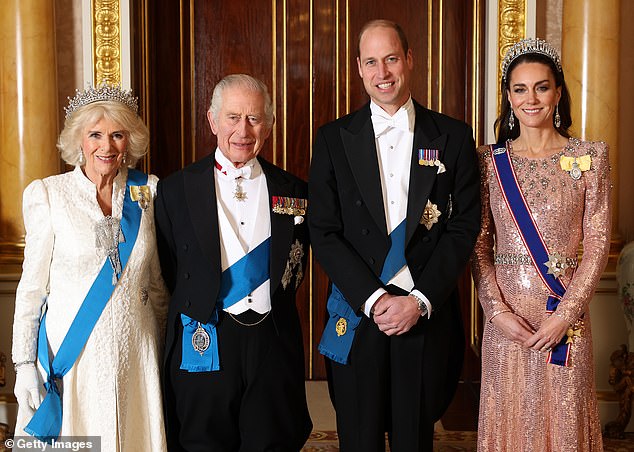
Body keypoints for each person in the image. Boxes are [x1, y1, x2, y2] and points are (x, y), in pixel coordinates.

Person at [308, 19, 481, 452]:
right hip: (360, 309)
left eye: (391, 59)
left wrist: (419, 300)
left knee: (414, 440)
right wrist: (376, 300)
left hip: (423, 312)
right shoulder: (332, 138)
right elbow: (323, 231)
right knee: (358, 440)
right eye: (371, 62)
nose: (382, 72)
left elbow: (463, 227)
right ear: (359, 69)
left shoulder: (453, 136)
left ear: (409, 60)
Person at [155, 74, 312, 451]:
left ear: (269, 125)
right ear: (212, 121)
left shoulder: (295, 192)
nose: (243, 130)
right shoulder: (175, 190)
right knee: (203, 443)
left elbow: (296, 268)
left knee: (270, 441)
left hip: (271, 342)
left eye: (255, 118)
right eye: (233, 117)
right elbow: (168, 268)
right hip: (205, 337)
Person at [11, 84, 169, 450]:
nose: (107, 146)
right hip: (74, 359)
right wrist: (22, 365)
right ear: (78, 141)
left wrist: (162, 353)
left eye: (117, 134)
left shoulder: (148, 192)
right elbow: (32, 290)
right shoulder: (48, 194)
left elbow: (157, 282)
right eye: (95, 135)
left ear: (130, 140)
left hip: (137, 355)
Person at [472, 38, 609, 451]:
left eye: (541, 87)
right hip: (508, 321)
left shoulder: (591, 156)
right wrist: (496, 313)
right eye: (519, 89)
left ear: (558, 92)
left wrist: (564, 317)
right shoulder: (488, 161)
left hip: (565, 319)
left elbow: (599, 242)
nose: (531, 99)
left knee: (564, 419)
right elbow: (479, 244)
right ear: (508, 97)